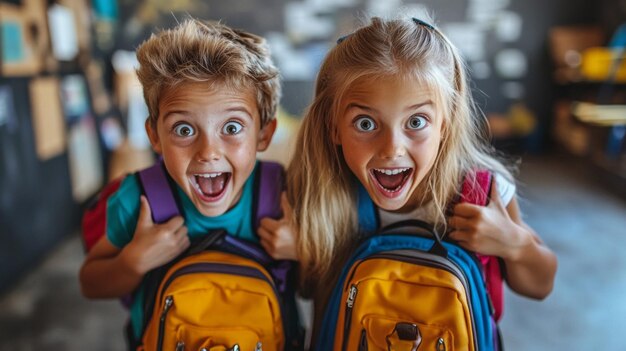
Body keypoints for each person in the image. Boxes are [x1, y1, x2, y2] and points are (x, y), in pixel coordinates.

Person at [285, 14, 558, 343]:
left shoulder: (482, 193)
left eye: (416, 122)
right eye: (366, 124)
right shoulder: (323, 191)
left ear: (444, 125)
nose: (391, 149)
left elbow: (540, 285)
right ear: (334, 128)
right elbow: (308, 290)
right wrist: (302, 253)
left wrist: (514, 243)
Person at [79, 18, 292, 342]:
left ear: (264, 134)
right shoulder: (138, 200)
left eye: (232, 128)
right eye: (184, 129)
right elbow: (90, 283)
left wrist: (305, 252)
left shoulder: (283, 195)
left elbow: (312, 287)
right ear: (154, 135)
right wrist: (132, 262)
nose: (208, 152)